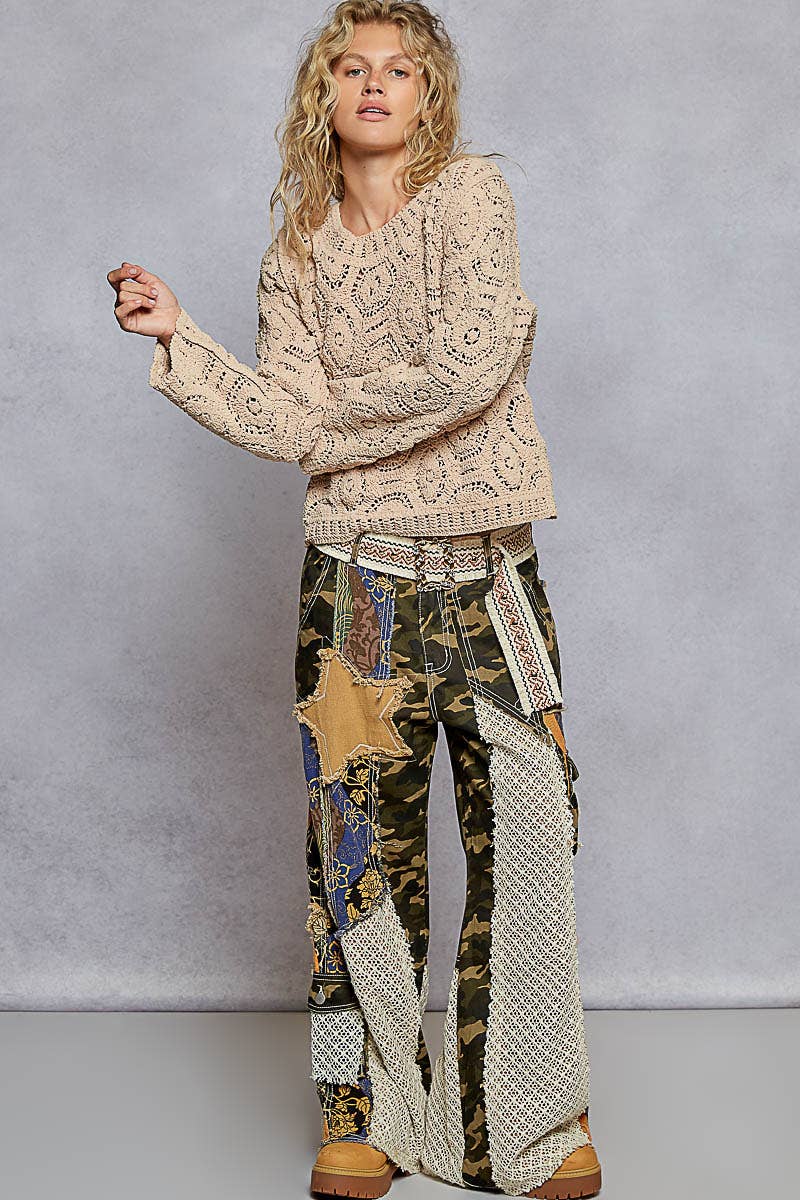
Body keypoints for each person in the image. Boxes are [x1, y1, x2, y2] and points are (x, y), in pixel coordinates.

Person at [107, 3, 602, 1197]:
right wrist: (184, 342)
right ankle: (364, 1114)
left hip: (487, 578)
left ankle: (528, 1127)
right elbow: (286, 424)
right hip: (355, 590)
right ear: (320, 93)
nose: (374, 84)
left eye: (399, 70)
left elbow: (469, 368)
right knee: (353, 858)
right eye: (349, 66)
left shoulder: (471, 198)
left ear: (428, 96)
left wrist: (326, 422)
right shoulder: (292, 256)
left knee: (531, 836)